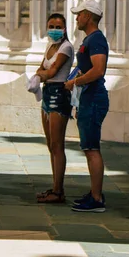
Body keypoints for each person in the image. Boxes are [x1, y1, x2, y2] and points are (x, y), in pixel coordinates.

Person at [64, 0, 109, 213]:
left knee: (92, 149)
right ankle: (94, 192)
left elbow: (98, 70)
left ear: (89, 16)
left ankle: (97, 198)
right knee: (88, 147)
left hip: (93, 98)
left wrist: (75, 82)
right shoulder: (90, 39)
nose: (76, 18)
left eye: (79, 14)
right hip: (87, 98)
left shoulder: (96, 40)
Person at [35, 13, 74, 203]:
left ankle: (59, 191)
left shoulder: (66, 47)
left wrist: (42, 75)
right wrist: (42, 75)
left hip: (59, 94)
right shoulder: (50, 46)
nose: (55, 30)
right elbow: (40, 70)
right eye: (51, 26)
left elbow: (51, 71)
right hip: (47, 92)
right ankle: (55, 187)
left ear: (65, 29)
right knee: (51, 144)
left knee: (58, 144)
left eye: (58, 27)